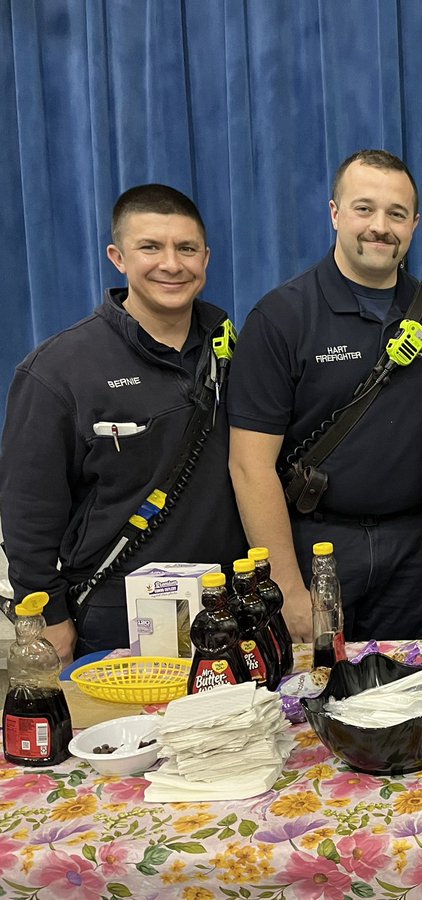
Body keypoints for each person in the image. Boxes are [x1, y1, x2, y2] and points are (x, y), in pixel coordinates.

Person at [227, 150, 422, 643]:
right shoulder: (281, 319)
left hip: (413, 553)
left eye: (396, 214)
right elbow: (250, 466)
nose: (380, 226)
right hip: (315, 550)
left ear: (415, 224)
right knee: (313, 704)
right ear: (335, 213)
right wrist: (287, 590)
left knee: (412, 703)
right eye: (364, 209)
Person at [0, 184, 247, 661]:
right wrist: (50, 618)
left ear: (207, 258)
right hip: (115, 612)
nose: (172, 264)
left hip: (229, 602)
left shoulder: (241, 355)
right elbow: (29, 511)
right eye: (150, 247)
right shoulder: (58, 371)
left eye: (187, 248)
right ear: (118, 257)